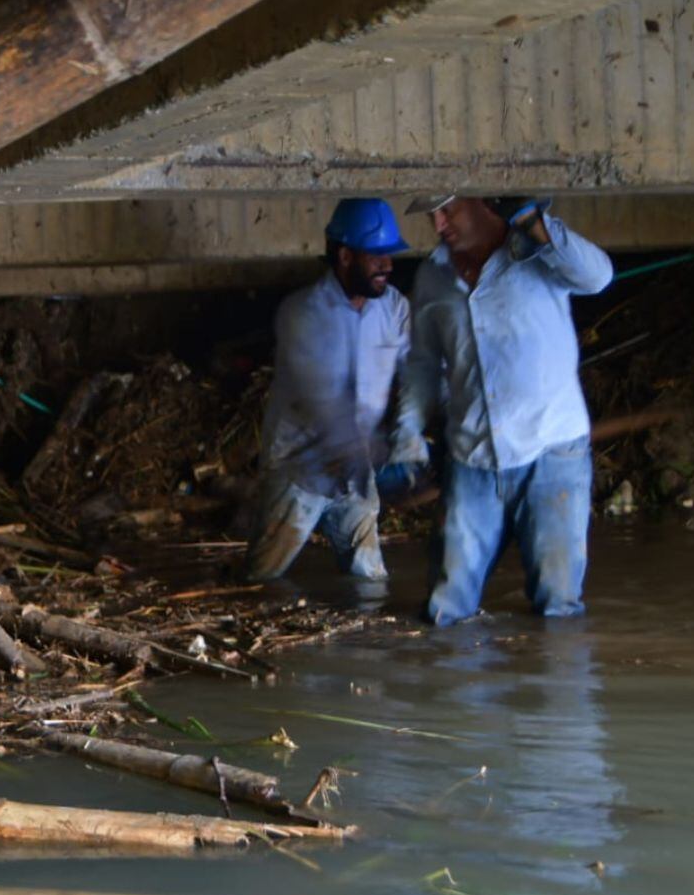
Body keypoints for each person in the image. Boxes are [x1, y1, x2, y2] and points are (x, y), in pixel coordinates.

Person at [386, 194, 612, 623]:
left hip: (552, 451)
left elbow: (598, 277)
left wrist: (534, 222)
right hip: (472, 457)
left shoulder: (536, 252)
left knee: (558, 602)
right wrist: (409, 430)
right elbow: (422, 363)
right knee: (446, 606)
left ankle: (555, 682)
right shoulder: (432, 277)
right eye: (431, 214)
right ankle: (454, 681)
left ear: (482, 201)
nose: (437, 224)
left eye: (446, 210)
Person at [245, 198, 411, 583]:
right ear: (345, 256)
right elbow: (324, 400)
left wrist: (419, 430)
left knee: (370, 583)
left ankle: (370, 640)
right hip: (299, 469)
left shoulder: (394, 309)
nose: (387, 265)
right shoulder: (302, 313)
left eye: (390, 255)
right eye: (377, 256)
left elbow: (416, 370)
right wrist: (381, 455)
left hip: (356, 471)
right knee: (261, 581)